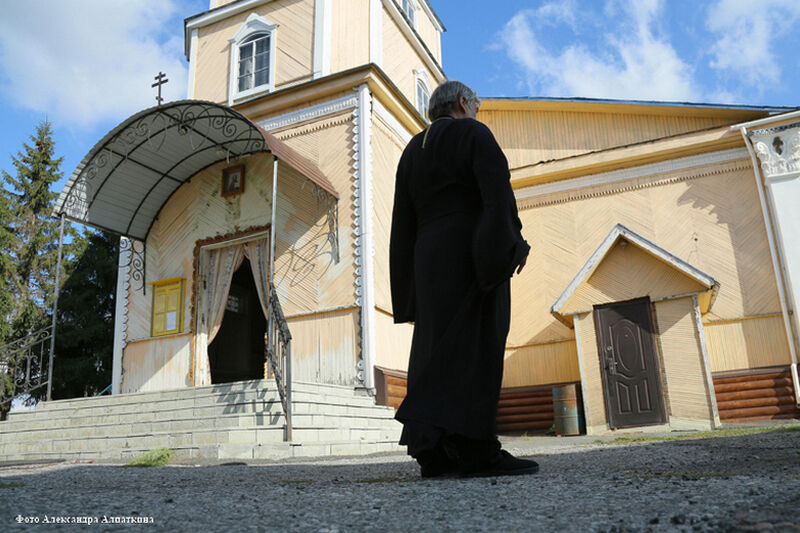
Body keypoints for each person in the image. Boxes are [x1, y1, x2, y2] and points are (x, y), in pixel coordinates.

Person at [390, 80, 537, 478]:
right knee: (477, 344)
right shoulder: (473, 132)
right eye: (475, 107)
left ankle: (433, 453)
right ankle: (476, 451)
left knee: (434, 347)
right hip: (470, 248)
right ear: (461, 103)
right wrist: (510, 245)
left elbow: (402, 220)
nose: (476, 114)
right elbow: (496, 192)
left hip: (427, 256)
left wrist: (408, 283)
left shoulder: (411, 150)